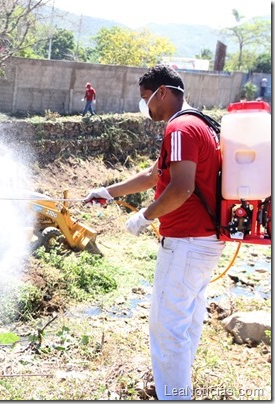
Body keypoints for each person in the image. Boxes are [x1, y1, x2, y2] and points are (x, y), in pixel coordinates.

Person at [84, 64, 224, 400]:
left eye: (146, 98)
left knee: (166, 330)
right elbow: (152, 175)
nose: (145, 107)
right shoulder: (199, 123)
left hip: (186, 243)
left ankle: (175, 396)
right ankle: (180, 391)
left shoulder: (180, 129)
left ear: (162, 92)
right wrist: (108, 192)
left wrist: (144, 217)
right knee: (185, 323)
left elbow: (181, 189)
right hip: (205, 242)